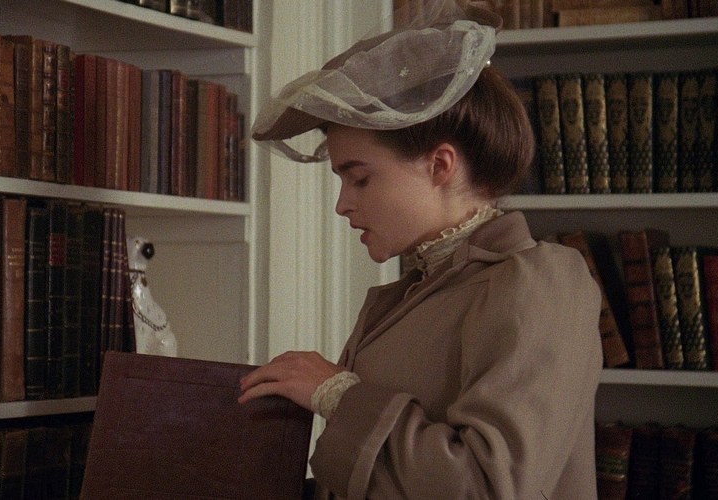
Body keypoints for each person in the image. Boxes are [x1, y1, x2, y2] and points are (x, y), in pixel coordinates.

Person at [239, 1, 603, 498]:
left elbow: (486, 487)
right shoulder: (412, 292)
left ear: (440, 166)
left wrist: (339, 395)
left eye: (360, 179)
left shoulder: (541, 280)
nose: (343, 205)